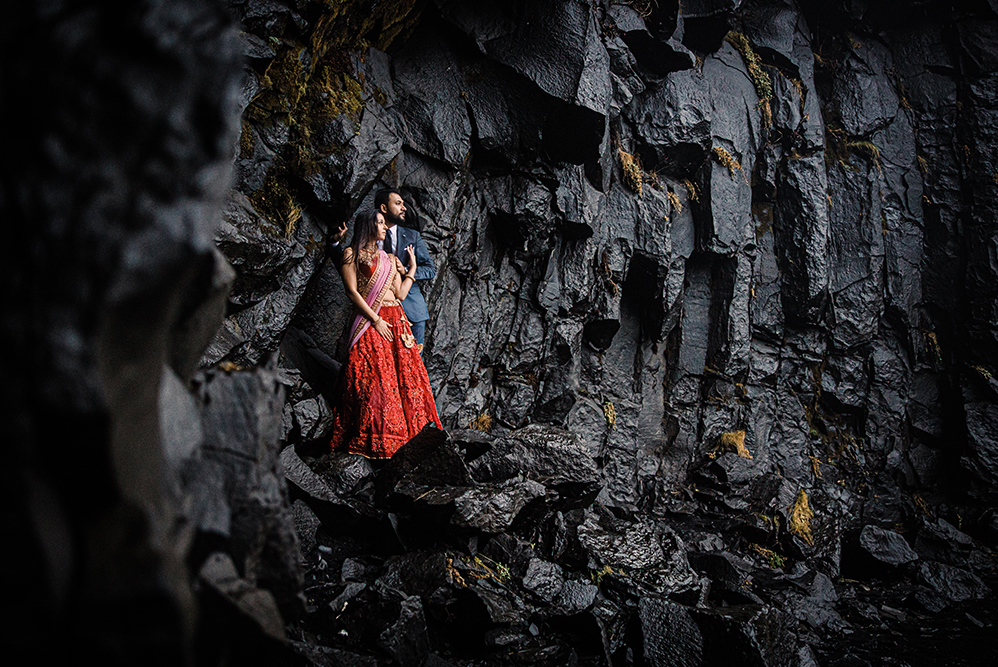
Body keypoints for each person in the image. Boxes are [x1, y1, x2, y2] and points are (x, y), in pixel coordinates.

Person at [328, 208, 442, 458]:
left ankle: (409, 440)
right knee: (373, 379)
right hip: (372, 320)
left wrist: (411, 268)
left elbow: (400, 293)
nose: (383, 227)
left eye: (383, 223)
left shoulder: (389, 258)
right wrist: (376, 319)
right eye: (379, 223)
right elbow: (351, 292)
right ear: (368, 225)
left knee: (405, 380)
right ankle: (373, 439)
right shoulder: (351, 254)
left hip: (397, 321)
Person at [373, 188, 435, 352]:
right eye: (398, 203)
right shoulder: (369, 234)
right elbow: (351, 263)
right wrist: (334, 245)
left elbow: (430, 270)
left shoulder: (413, 236)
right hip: (376, 310)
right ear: (384, 208)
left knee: (414, 364)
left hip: (412, 310)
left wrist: (406, 269)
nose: (404, 208)